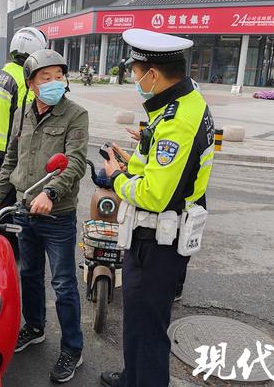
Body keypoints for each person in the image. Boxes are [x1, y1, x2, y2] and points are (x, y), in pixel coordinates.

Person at [100, 28, 215, 387]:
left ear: (153, 73)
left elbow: (154, 194)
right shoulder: (186, 100)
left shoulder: (177, 122)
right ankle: (130, 378)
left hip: (157, 241)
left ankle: (142, 379)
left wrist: (116, 176)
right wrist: (140, 149)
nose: (135, 80)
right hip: (160, 236)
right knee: (137, 319)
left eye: (135, 73)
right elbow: (163, 161)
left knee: (148, 329)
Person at [0, 49, 88, 383]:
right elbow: (11, 160)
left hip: (57, 215)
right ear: (31, 83)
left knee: (63, 282)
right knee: (28, 273)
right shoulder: (22, 114)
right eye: (46, 77)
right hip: (24, 210)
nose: (55, 82)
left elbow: (75, 162)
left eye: (59, 76)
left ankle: (73, 347)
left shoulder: (76, 114)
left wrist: (51, 193)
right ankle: (35, 326)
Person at [0, 27, 47, 176]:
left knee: (2, 189)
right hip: (11, 148)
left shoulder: (5, 71)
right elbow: (27, 118)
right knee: (14, 194)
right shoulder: (24, 80)